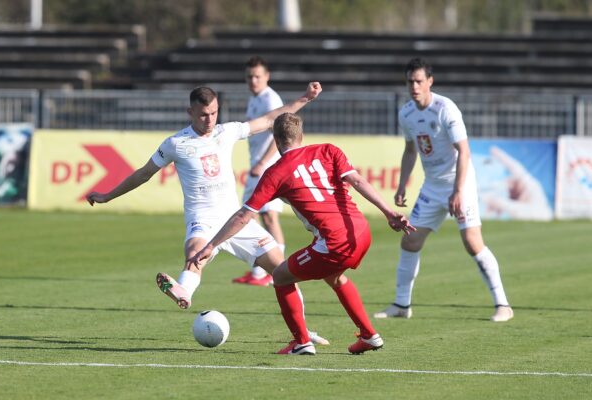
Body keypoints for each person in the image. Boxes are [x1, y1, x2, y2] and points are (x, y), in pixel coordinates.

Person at [86, 82, 329, 345]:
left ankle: (303, 332)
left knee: (282, 270)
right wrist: (108, 195)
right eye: (203, 114)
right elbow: (144, 174)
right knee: (194, 254)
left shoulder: (227, 132)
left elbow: (271, 119)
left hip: (237, 221)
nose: (209, 119)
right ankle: (183, 292)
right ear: (190, 112)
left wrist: (306, 97)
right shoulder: (175, 144)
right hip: (203, 219)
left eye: (213, 113)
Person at [188, 113, 415, 355]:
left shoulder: (275, 173)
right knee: (335, 277)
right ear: (301, 135)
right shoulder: (328, 150)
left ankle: (301, 341)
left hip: (334, 241)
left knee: (281, 276)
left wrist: (211, 245)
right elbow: (357, 181)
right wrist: (389, 213)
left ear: (275, 140)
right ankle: (370, 335)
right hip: (360, 230)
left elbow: (244, 216)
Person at [373, 58, 514, 322]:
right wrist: (403, 183)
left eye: (418, 81)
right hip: (432, 185)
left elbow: (464, 151)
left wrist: (459, 191)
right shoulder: (406, 113)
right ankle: (402, 306)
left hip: (459, 183)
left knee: (472, 243)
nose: (414, 86)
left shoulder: (445, 109)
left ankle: (503, 305)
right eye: (410, 81)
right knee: (410, 240)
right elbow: (410, 149)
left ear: (429, 82)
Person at [232, 56, 286, 286]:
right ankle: (261, 272)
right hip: (259, 167)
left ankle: (276, 272)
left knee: (265, 217)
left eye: (257, 76)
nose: (253, 81)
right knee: (255, 217)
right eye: (249, 76)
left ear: (267, 76)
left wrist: (263, 163)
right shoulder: (254, 99)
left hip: (268, 167)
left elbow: (280, 133)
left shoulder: (270, 99)